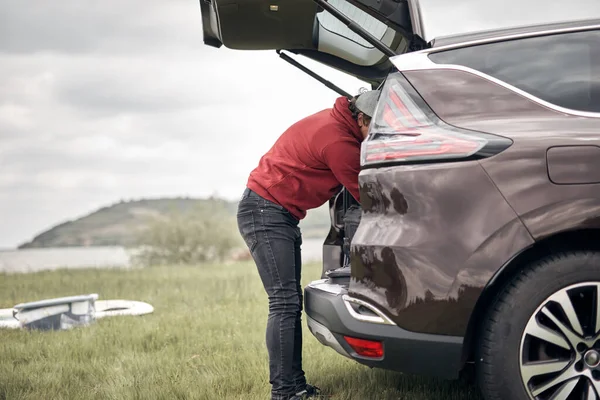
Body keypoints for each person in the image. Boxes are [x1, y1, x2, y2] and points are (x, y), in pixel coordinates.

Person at [236, 90, 380, 400]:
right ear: (361, 119)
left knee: (288, 302)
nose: (374, 139)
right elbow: (368, 198)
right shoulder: (339, 143)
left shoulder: (335, 122)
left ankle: (294, 386)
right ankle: (285, 391)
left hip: (277, 213)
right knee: (284, 302)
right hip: (265, 212)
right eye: (374, 130)